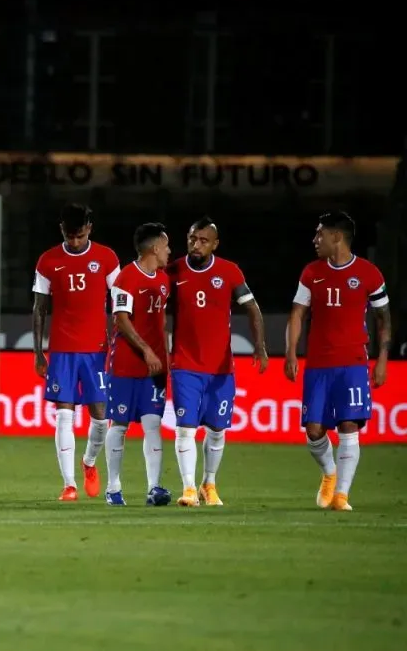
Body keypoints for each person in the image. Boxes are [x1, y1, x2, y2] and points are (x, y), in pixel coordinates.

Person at [285, 211, 391, 511]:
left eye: (320, 234)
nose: (315, 239)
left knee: (348, 425)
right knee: (314, 430)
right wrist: (291, 351)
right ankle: (329, 474)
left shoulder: (369, 273)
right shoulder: (311, 272)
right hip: (318, 364)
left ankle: (341, 496)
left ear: (337, 237)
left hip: (353, 363)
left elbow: (384, 318)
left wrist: (382, 359)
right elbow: (297, 313)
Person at [167, 217, 267, 507]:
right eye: (192, 239)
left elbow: (253, 309)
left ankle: (208, 484)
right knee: (185, 427)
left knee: (217, 429)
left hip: (221, 368)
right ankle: (187, 489)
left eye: (203, 240)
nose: (196, 245)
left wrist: (259, 347)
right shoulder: (174, 270)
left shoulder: (229, 272)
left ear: (214, 244)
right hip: (185, 364)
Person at [32, 203, 120, 501]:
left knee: (100, 416)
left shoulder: (107, 258)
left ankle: (89, 463)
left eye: (80, 236)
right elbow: (39, 308)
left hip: (96, 349)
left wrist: (117, 340)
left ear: (89, 229)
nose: (75, 242)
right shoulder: (48, 261)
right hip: (63, 350)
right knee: (63, 416)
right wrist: (38, 351)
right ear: (62, 231)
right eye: (70, 236)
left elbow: (119, 303)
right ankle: (69, 484)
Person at [104, 222, 172, 507]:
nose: (169, 251)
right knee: (119, 425)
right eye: (166, 245)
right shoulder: (126, 278)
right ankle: (113, 487)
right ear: (155, 248)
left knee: (153, 423)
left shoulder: (164, 280)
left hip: (155, 366)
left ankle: (154, 488)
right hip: (126, 364)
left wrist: (159, 353)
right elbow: (121, 319)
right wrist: (146, 350)